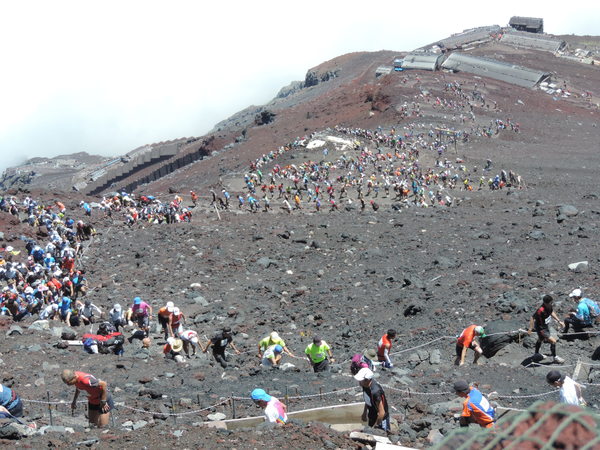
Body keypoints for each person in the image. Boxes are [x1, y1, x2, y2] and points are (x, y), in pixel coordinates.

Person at [528, 295, 565, 364]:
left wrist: (559, 321)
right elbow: (532, 318)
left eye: (551, 302)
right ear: (545, 303)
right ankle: (555, 358)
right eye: (550, 303)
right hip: (541, 328)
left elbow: (551, 312)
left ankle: (536, 354)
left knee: (540, 339)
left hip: (545, 326)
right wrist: (530, 328)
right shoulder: (540, 310)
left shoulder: (550, 306)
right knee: (553, 341)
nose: (551, 304)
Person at [354, 368, 390, 433]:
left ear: (367, 380)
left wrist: (374, 428)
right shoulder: (365, 386)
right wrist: (364, 413)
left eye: (361, 380)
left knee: (381, 437)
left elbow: (382, 413)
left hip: (381, 420)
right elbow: (367, 399)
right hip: (372, 415)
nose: (359, 382)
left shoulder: (375, 392)